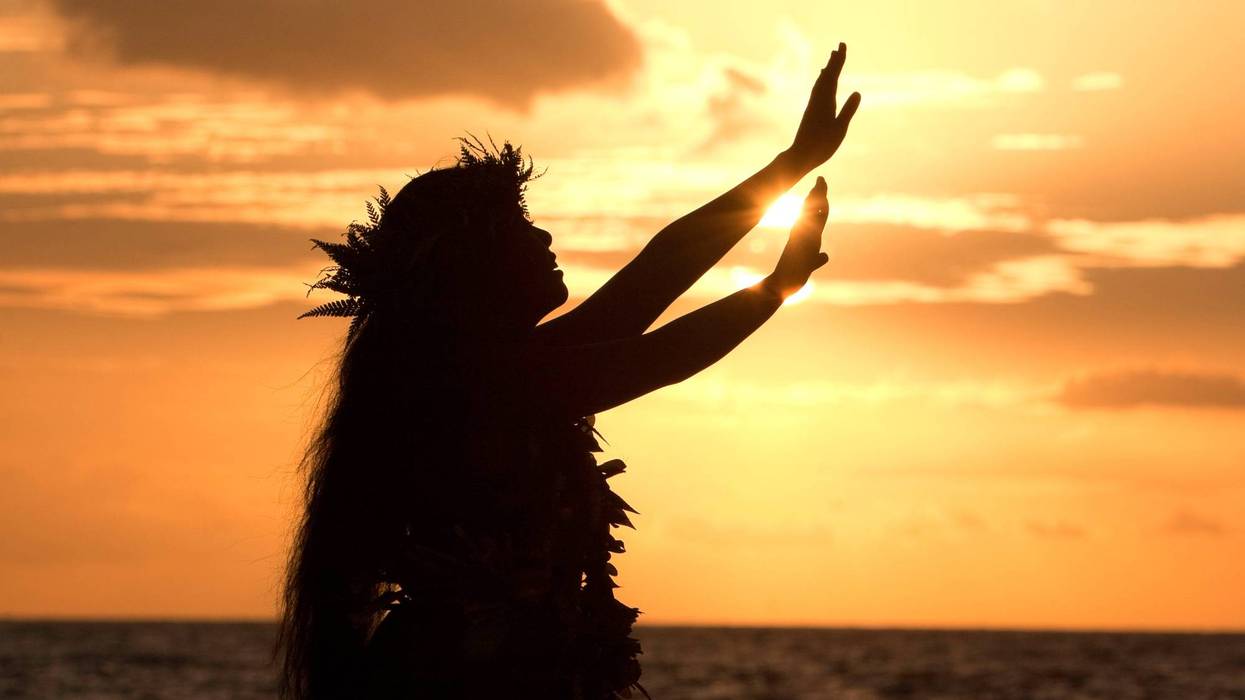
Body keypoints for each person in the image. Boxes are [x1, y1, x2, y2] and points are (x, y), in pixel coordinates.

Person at [279, 43, 861, 700]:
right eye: (521, 229)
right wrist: (774, 287)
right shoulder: (489, 385)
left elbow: (656, 273)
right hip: (469, 677)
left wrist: (791, 165)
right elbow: (661, 354)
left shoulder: (500, 370)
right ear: (479, 271)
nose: (546, 240)